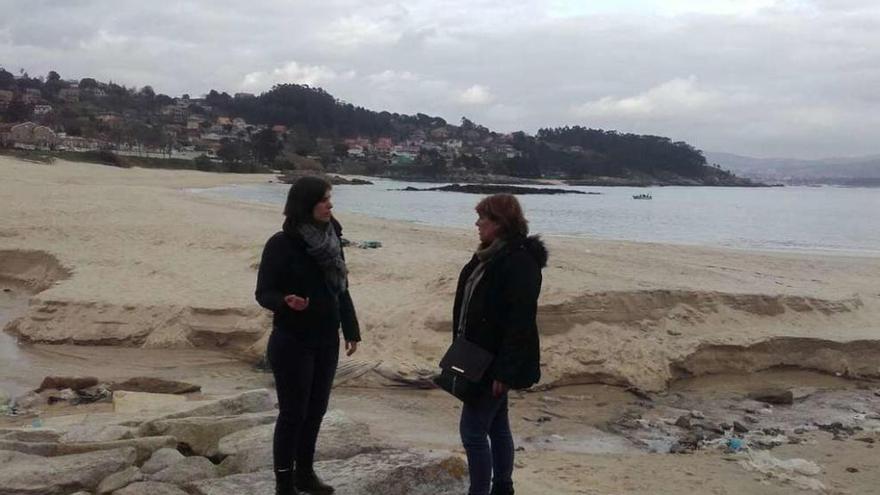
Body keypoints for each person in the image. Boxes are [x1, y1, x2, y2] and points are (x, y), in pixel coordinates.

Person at [255, 176, 361, 495]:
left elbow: (340, 289)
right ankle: (284, 482)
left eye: (330, 199)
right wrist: (284, 302)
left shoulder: (333, 237)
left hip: (327, 339)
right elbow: (263, 292)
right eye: (324, 199)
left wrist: (351, 328)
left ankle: (305, 473)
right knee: (293, 413)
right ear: (306, 204)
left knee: (316, 410)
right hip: (292, 339)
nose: (330, 205)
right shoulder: (281, 243)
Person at [452, 193, 546, 495]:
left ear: (500, 223)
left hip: (492, 362)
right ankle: (503, 487)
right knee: (497, 425)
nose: (477, 223)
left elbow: (520, 323)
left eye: (483, 218)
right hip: (475, 355)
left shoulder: (519, 262)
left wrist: (504, 372)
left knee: (472, 432)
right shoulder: (489, 254)